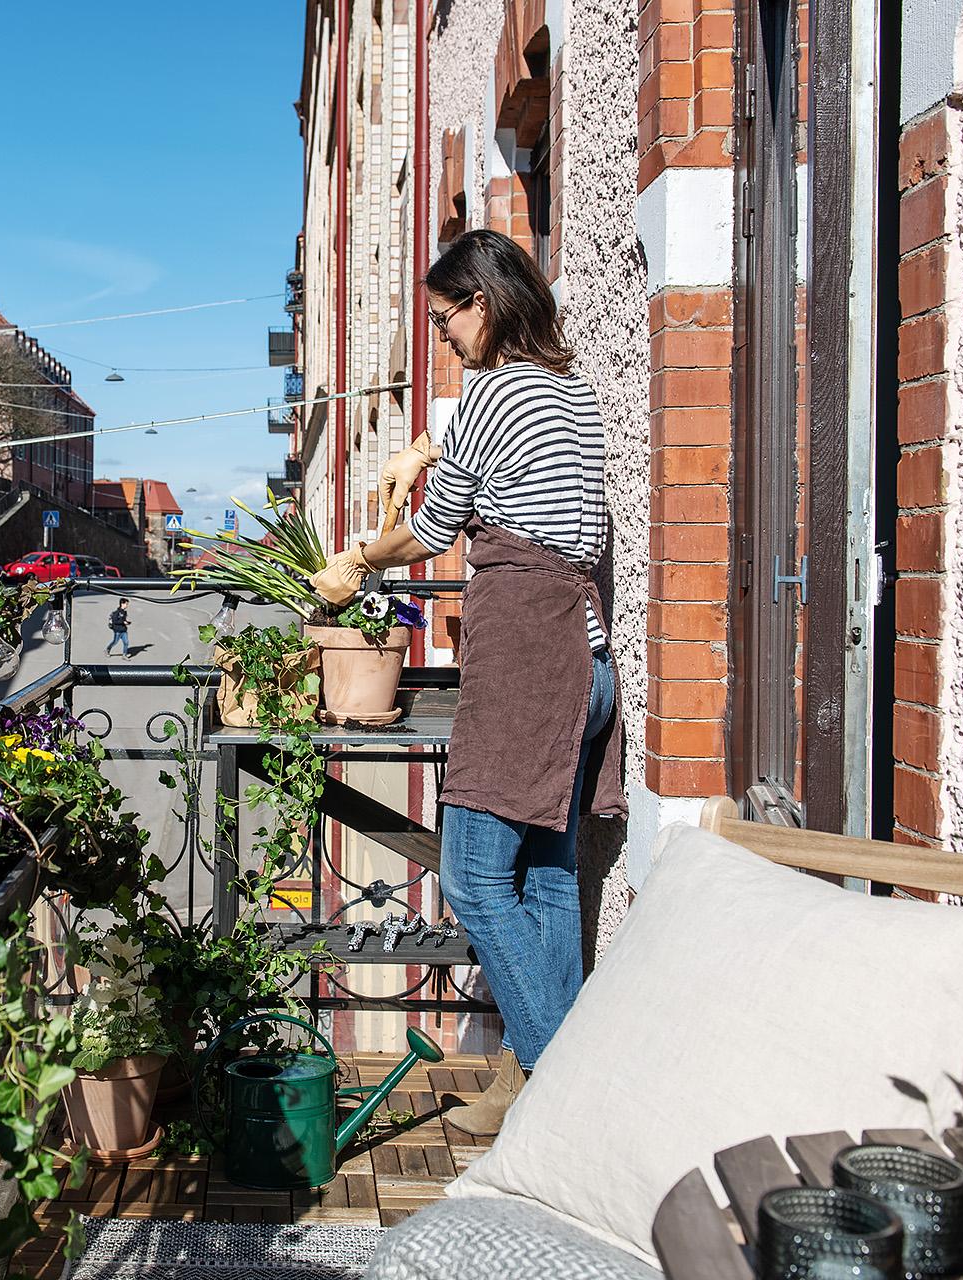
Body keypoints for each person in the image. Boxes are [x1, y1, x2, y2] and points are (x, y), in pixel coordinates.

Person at [309, 229, 622, 1135]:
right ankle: (538, 1086)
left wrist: (359, 561)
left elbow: (435, 528)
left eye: (446, 318)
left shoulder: (492, 391)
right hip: (589, 665)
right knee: (550, 876)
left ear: (483, 305)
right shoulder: (573, 392)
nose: (442, 336)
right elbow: (488, 462)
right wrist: (427, 449)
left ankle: (564, 1086)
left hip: (529, 664)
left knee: (476, 879)